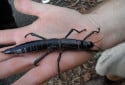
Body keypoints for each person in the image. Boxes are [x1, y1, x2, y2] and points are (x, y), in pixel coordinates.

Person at [0, 0, 125, 85]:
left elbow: (84, 44)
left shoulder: (76, 43)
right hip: (35, 46)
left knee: (37, 59)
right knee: (37, 59)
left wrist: (97, 26)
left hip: (44, 45)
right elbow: (79, 46)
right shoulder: (76, 45)